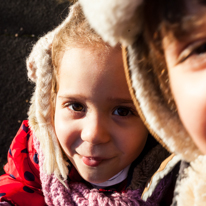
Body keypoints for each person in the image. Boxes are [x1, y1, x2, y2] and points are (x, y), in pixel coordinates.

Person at [0, 2, 180, 206]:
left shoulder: (179, 179)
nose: (93, 135)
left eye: (122, 111)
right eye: (76, 106)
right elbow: (18, 186)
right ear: (51, 100)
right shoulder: (36, 155)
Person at [78, 0, 206, 205]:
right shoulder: (32, 154)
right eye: (202, 48)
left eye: (122, 110)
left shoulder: (167, 187)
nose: (92, 134)